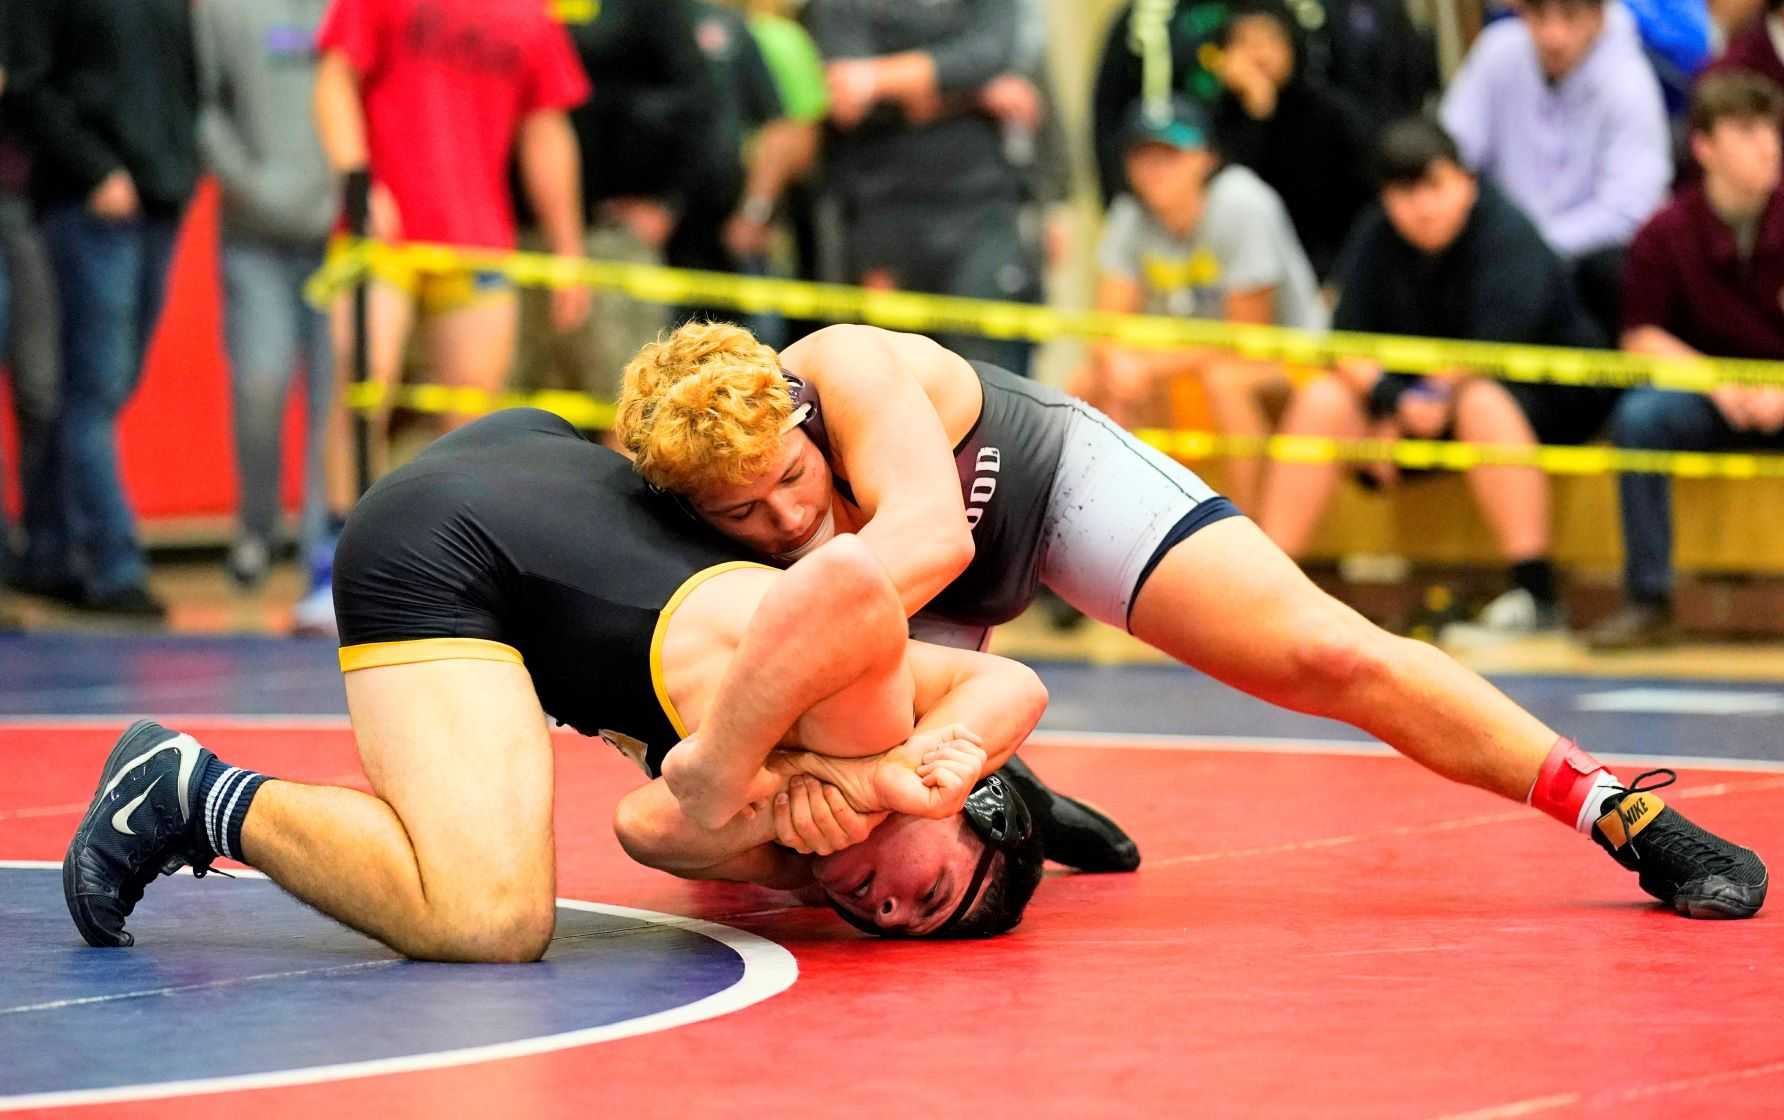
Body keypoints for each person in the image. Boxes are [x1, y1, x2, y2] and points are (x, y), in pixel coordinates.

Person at [615, 321, 1768, 920]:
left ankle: (1615, 811)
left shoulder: (842, 369)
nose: (784, 515)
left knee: (1325, 649)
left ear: (800, 415)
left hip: (1030, 487)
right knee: (787, 837)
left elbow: (929, 542)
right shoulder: (691, 513)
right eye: (741, 513)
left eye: (791, 477)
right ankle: (999, 791)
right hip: (904, 619)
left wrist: (820, 715)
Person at [62, 408, 1092, 956]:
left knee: (511, 896)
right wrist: (884, 774)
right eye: (928, 892)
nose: (887, 907)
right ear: (963, 800)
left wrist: (818, 799)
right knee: (485, 921)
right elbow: (860, 589)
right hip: (445, 550)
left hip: (538, 461)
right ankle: (184, 791)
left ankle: (205, 796)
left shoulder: (809, 815)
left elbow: (650, 824)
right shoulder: (870, 722)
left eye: (897, 924)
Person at [1258, 117, 1619, 639]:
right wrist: (1391, 402)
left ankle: (1535, 594)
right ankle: (1267, 590)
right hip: (1420, 407)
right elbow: (1343, 345)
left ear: (1465, 182)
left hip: (1545, 402)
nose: (1423, 207)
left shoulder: (1507, 232)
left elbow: (1488, 352)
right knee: (1323, 399)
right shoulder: (1375, 235)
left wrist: (1413, 404)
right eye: (1404, 193)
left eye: (1434, 186)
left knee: (1480, 401)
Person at [299, 0, 593, 634]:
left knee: (474, 419)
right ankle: (332, 566)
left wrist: (568, 249)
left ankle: (454, 576)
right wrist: (358, 181)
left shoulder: (530, 15)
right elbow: (334, 78)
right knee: (362, 383)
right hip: (382, 235)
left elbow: (546, 129)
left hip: (478, 239)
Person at [7, 0, 202, 619]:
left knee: (105, 388)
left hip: (159, 198)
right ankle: (114, 562)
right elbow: (28, 86)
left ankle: (50, 552)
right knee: (89, 391)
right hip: (89, 205)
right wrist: (94, 170)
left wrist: (184, 168)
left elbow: (185, 80)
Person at [1589, 72, 1784, 649]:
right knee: (1640, 419)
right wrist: (1716, 385)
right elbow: (1640, 337)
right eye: (1746, 131)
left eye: (1771, 130)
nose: (1768, 146)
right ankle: (1649, 602)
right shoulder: (1664, 231)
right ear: (1703, 147)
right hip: (1707, 397)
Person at [1077, 96, 1325, 511]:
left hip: (1288, 357)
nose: (1155, 168)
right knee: (1090, 385)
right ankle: (1122, 527)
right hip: (1190, 360)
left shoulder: (1242, 203)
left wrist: (1145, 364)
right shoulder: (1129, 215)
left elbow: (1247, 340)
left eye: (1170, 154)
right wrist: (1118, 362)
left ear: (1206, 157)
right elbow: (1106, 330)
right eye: (1142, 155)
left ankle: (1243, 530)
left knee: (1224, 383)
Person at [194, 0, 335, 589]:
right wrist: (248, 182)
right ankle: (256, 530)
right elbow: (202, 107)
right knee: (260, 384)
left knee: (336, 401)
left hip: (341, 239)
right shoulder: (221, 10)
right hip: (254, 242)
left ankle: (325, 544)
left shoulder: (352, 9)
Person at [1440, 0, 1670, 337]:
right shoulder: (1498, 50)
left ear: (1598, 17)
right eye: (1538, 16)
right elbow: (1452, 154)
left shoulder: (1630, 82)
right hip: (1497, 249)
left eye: (1570, 16)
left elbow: (1630, 209)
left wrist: (1532, 245)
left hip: (1583, 269)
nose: (1553, 36)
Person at [1209, 0, 1376, 281]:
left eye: (1269, 40)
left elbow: (1365, 205)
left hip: (1330, 269)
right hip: (1241, 275)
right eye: (1244, 43)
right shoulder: (1214, 121)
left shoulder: (1332, 114)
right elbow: (1234, 201)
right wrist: (1258, 114)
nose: (1259, 55)